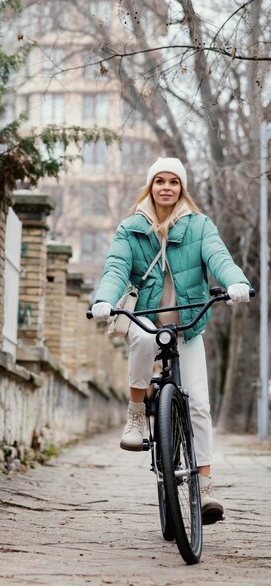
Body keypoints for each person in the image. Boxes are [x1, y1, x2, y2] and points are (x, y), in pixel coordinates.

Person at [91, 157, 250, 523]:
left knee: (199, 405)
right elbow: (115, 267)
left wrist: (235, 281)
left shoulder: (199, 225)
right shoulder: (131, 228)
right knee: (145, 339)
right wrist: (103, 299)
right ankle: (135, 415)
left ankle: (206, 487)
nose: (166, 187)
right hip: (144, 318)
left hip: (188, 325)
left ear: (182, 188)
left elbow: (219, 257)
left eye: (173, 182)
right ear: (150, 187)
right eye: (159, 181)